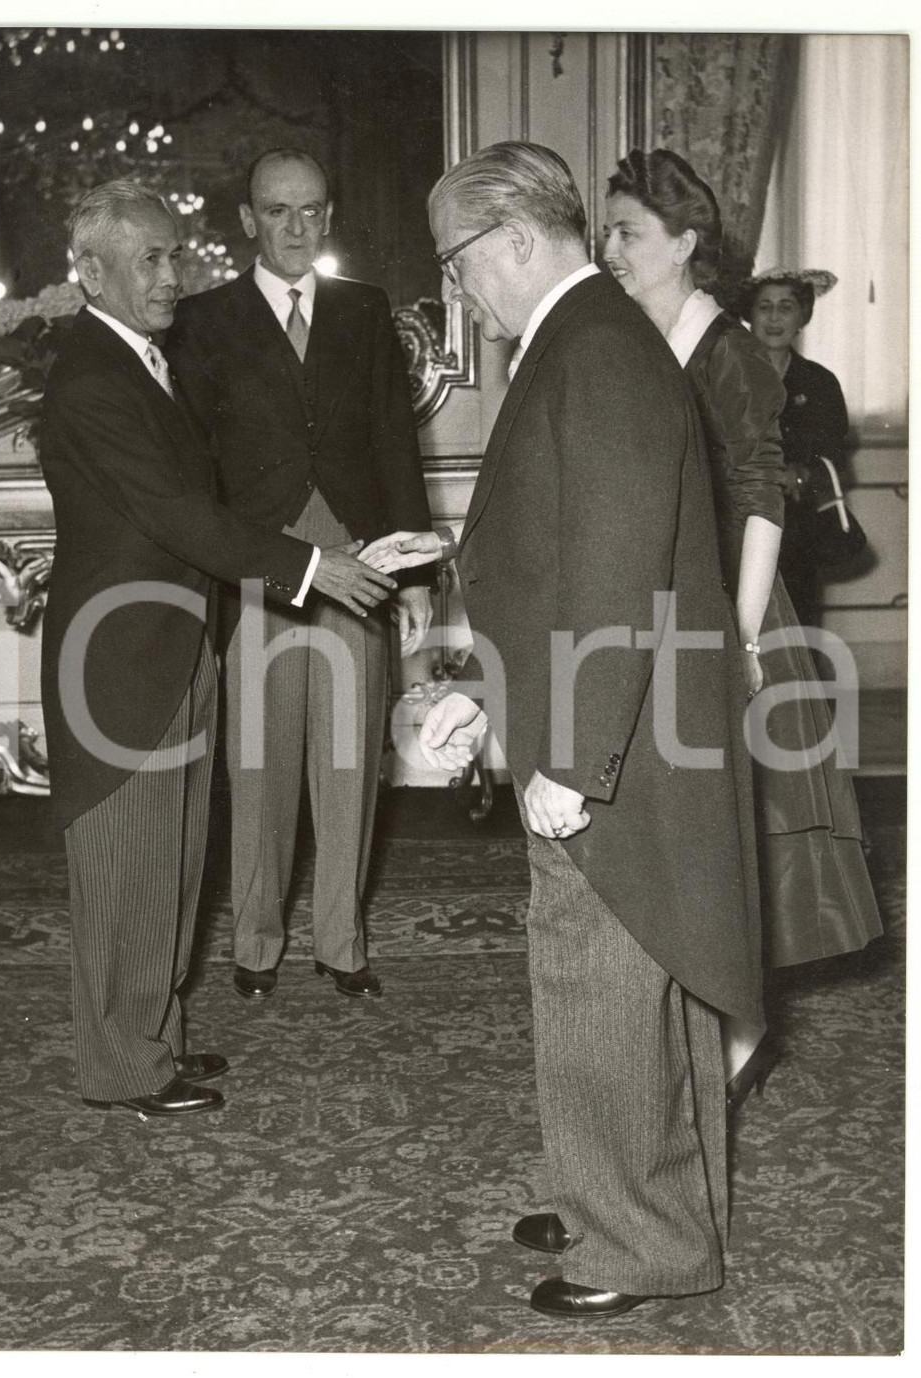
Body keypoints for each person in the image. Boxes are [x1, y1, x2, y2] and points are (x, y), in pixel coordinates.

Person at [368, 140, 763, 1319]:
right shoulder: (589, 339)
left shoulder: (591, 347)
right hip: (620, 715)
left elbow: (614, 570)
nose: (458, 293)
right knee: (647, 985)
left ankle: (636, 1245)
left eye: (457, 262)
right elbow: (558, 549)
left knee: (600, 982)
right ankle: (626, 1205)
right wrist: (486, 678)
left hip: (617, 735)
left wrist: (570, 759)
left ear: (518, 239)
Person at [40, 180, 396, 1117]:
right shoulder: (90, 377)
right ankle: (123, 1069)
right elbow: (178, 513)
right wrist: (310, 565)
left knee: (171, 865)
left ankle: (152, 1046)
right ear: (91, 272)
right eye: (150, 260)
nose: (172, 276)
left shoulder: (142, 359)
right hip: (118, 664)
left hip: (174, 644)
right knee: (125, 871)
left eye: (174, 255)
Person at [602, 147, 882, 1096]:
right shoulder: (641, 335)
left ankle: (739, 1035)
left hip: (734, 610)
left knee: (745, 833)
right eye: (608, 230)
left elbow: (764, 502)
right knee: (695, 837)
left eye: (628, 233)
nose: (610, 250)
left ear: (684, 243)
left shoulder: (726, 352)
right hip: (665, 606)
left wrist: (747, 638)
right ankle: (708, 1025)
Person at [167, 149, 432, 1002]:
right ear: (247, 219)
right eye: (277, 211)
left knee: (350, 760)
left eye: (311, 211)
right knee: (260, 765)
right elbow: (193, 466)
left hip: (357, 558)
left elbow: (397, 442)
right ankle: (255, 942)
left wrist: (419, 572)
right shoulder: (203, 319)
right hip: (260, 563)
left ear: (329, 217)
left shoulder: (364, 309)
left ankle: (341, 943)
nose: (295, 227)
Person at [742, 267, 850, 628]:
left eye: (785, 307)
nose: (774, 317)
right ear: (749, 314)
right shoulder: (728, 375)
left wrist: (801, 475)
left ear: (802, 315)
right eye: (764, 306)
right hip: (740, 522)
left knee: (798, 627)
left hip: (799, 528)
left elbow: (834, 457)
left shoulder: (820, 383)